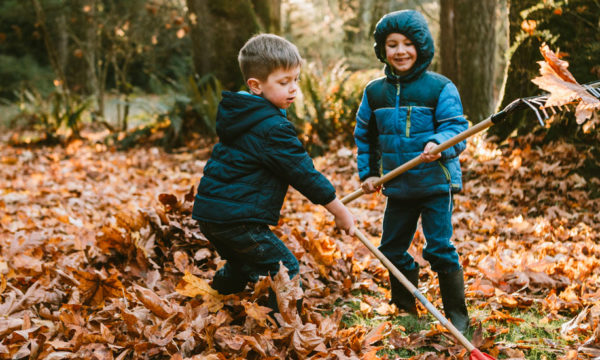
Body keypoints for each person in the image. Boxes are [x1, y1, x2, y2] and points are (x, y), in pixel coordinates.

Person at [192, 34, 355, 314]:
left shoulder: (242, 115)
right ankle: (285, 330)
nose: (293, 89)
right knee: (285, 268)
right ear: (255, 85)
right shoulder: (271, 128)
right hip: (237, 220)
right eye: (283, 82)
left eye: (296, 80)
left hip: (211, 216)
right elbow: (303, 173)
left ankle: (214, 300)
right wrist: (339, 211)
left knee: (242, 264)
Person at [353, 10, 470, 333]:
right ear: (382, 49)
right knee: (390, 249)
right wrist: (368, 174)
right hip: (398, 185)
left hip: (435, 184)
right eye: (392, 45)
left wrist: (438, 143)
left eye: (408, 44)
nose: (400, 51)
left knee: (439, 249)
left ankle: (458, 318)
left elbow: (456, 130)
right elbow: (365, 136)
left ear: (421, 47)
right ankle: (406, 310)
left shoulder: (439, 88)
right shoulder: (375, 92)